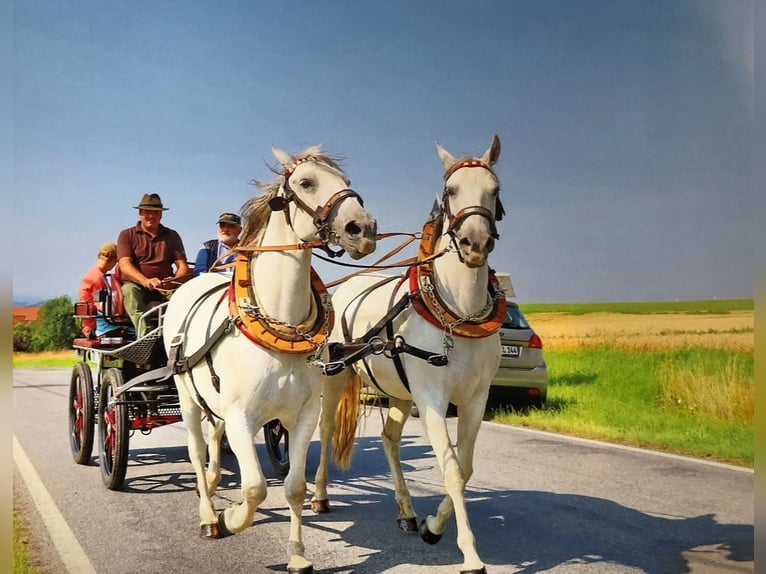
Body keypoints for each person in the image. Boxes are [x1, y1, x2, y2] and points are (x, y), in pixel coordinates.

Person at [117, 193, 190, 335]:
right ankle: (146, 337)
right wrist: (145, 281)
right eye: (147, 212)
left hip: (165, 288)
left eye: (155, 212)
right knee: (129, 291)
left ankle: (179, 337)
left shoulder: (172, 236)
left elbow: (183, 267)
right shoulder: (127, 235)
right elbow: (125, 265)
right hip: (138, 286)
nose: (151, 216)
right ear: (140, 214)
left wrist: (173, 281)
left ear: (161, 215)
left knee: (185, 298)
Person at [78, 243, 122, 339]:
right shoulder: (98, 278)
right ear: (114, 260)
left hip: (89, 325)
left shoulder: (92, 274)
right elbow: (102, 306)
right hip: (97, 328)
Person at [193, 212, 242, 276]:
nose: (225, 230)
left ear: (239, 230)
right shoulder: (207, 247)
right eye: (222, 226)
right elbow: (200, 272)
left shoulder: (248, 248)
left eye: (230, 227)